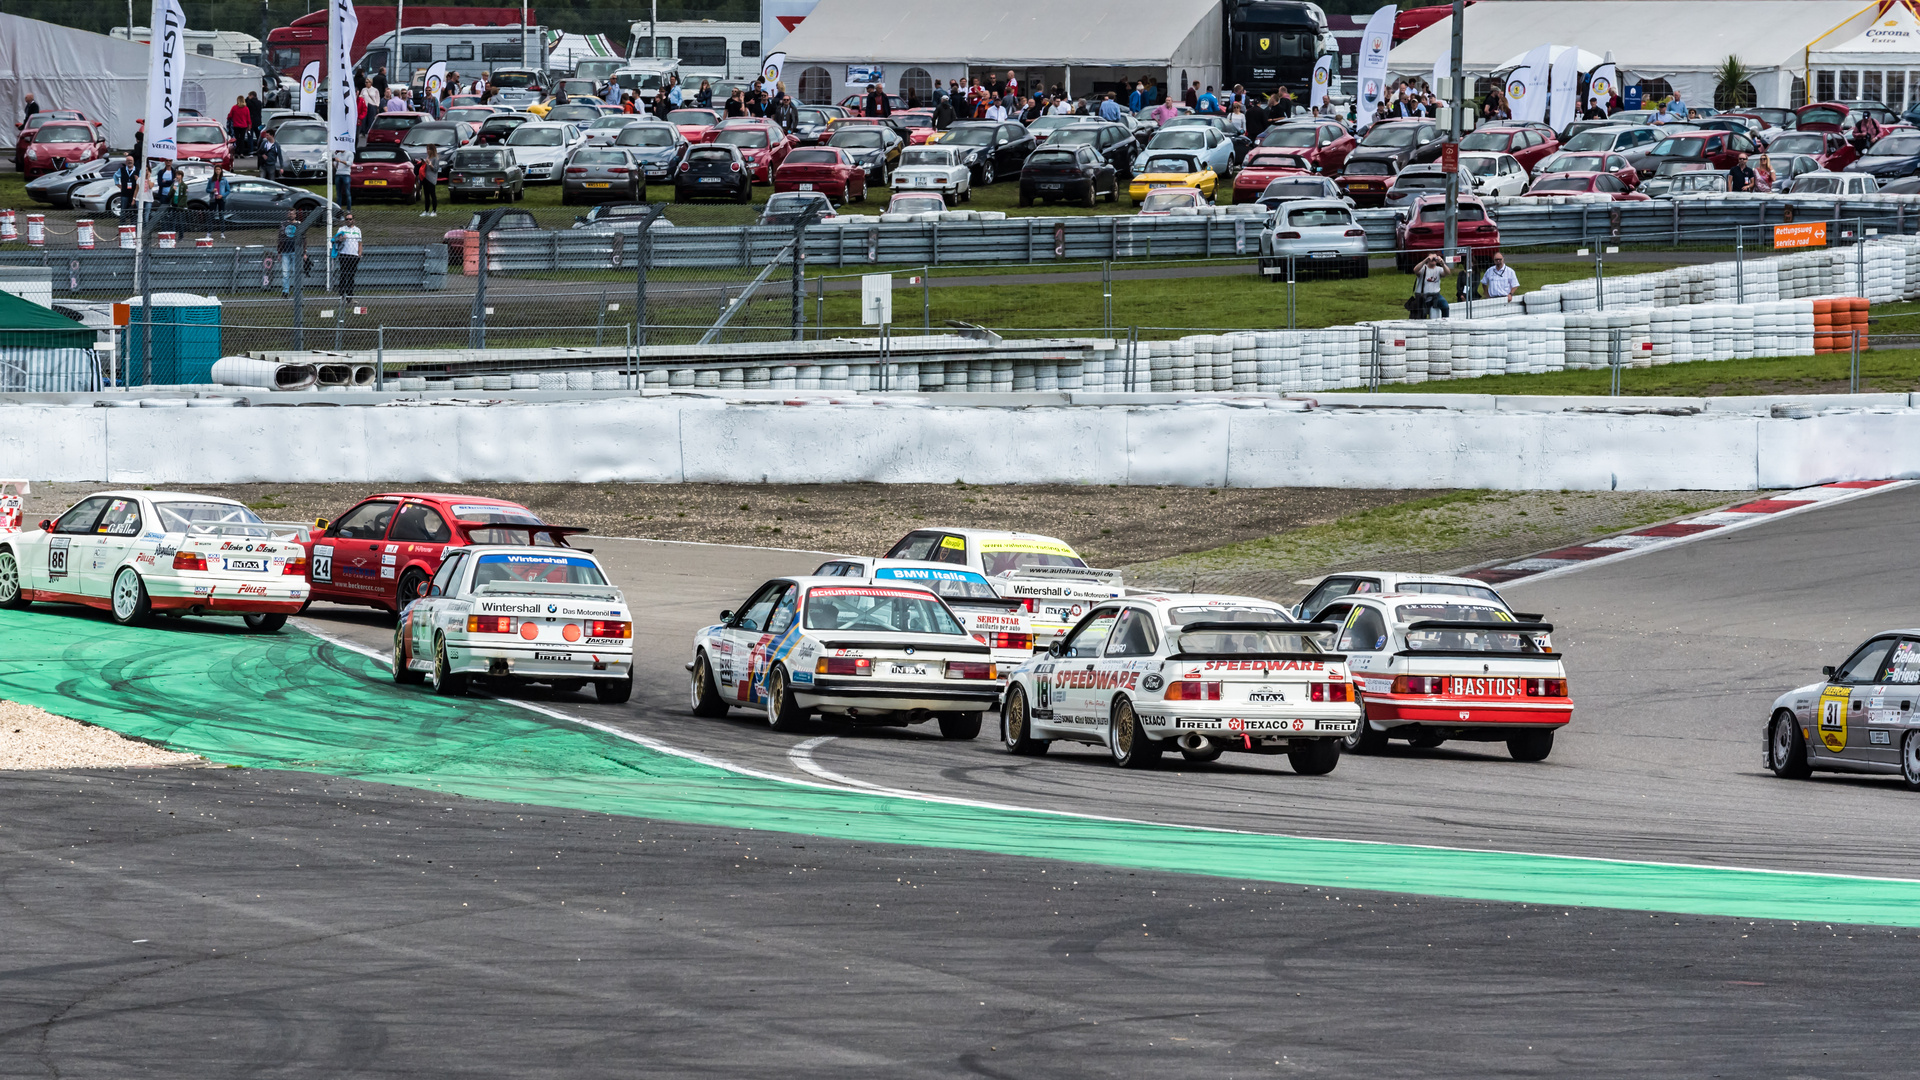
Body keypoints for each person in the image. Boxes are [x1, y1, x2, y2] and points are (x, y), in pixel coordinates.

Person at [333, 212, 363, 300]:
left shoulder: (357, 230)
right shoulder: (341, 229)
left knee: (351, 275)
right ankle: (341, 294)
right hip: (344, 254)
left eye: (350, 219)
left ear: (353, 220)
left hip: (354, 255)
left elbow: (360, 243)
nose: (348, 221)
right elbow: (335, 240)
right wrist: (340, 239)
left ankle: (350, 295)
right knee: (343, 274)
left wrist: (359, 253)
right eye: (347, 219)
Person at [1415, 253, 1450, 318]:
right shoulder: (1423, 268)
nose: (1433, 259)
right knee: (1422, 314)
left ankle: (1445, 323)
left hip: (1436, 295)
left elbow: (1448, 272)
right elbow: (1415, 270)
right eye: (1432, 258)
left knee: (1445, 306)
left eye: (1435, 258)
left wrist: (1442, 263)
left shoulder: (1439, 269)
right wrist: (1426, 260)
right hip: (1422, 296)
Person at [277, 210, 302, 296]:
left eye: (292, 214)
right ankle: (285, 291)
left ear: (295, 215)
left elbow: (304, 238)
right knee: (285, 273)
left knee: (296, 272)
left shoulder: (299, 224)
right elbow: (280, 238)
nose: (290, 215)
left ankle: (297, 291)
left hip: (296, 251)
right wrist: (279, 252)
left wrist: (304, 251)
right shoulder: (283, 224)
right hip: (285, 251)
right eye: (289, 213)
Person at [203, 165, 230, 238]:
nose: (217, 171)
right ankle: (209, 233)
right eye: (216, 169)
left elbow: (228, 190)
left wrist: (223, 195)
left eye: (219, 169)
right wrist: (212, 190)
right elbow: (207, 189)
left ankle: (222, 233)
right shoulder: (211, 179)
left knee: (221, 215)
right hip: (213, 199)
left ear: (221, 170)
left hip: (221, 199)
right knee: (211, 216)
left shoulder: (224, 180)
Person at [419, 144, 440, 216]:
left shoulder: (435, 159)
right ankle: (426, 210)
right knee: (426, 195)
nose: (427, 151)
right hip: (426, 178)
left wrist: (430, 164)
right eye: (427, 149)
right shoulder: (427, 157)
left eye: (429, 149)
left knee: (432, 195)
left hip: (431, 179)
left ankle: (434, 211)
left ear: (432, 150)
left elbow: (436, 169)